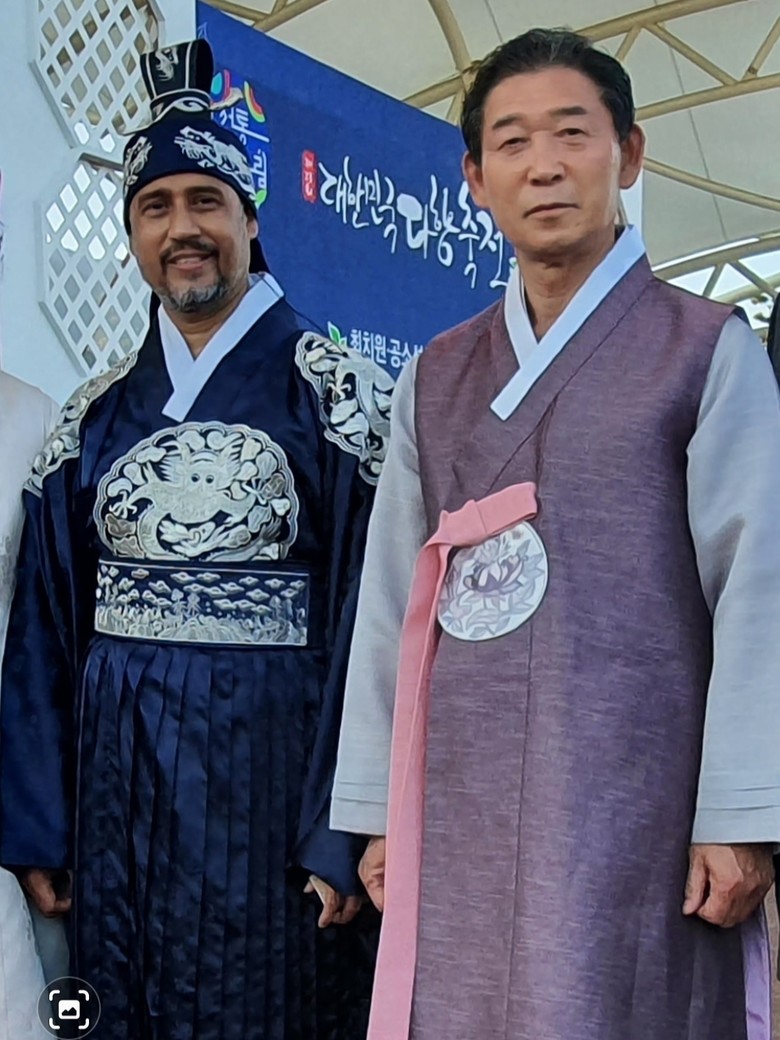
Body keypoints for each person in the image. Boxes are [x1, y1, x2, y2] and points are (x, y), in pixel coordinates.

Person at [332, 28, 780, 1040]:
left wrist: (741, 812)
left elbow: (760, 589)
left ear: (629, 154)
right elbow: (390, 601)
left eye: (572, 133)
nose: (543, 165)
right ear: (476, 179)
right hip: (461, 788)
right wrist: (376, 808)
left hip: (637, 788)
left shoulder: (703, 352)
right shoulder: (436, 375)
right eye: (513, 141)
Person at [0, 40, 391, 1040]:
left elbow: (379, 625)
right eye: (156, 207)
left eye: (206, 202)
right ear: (134, 231)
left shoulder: (340, 396)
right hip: (116, 801)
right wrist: (40, 821)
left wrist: (344, 825)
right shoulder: (90, 419)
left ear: (250, 221)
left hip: (274, 796)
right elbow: (44, 632)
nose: (183, 229)